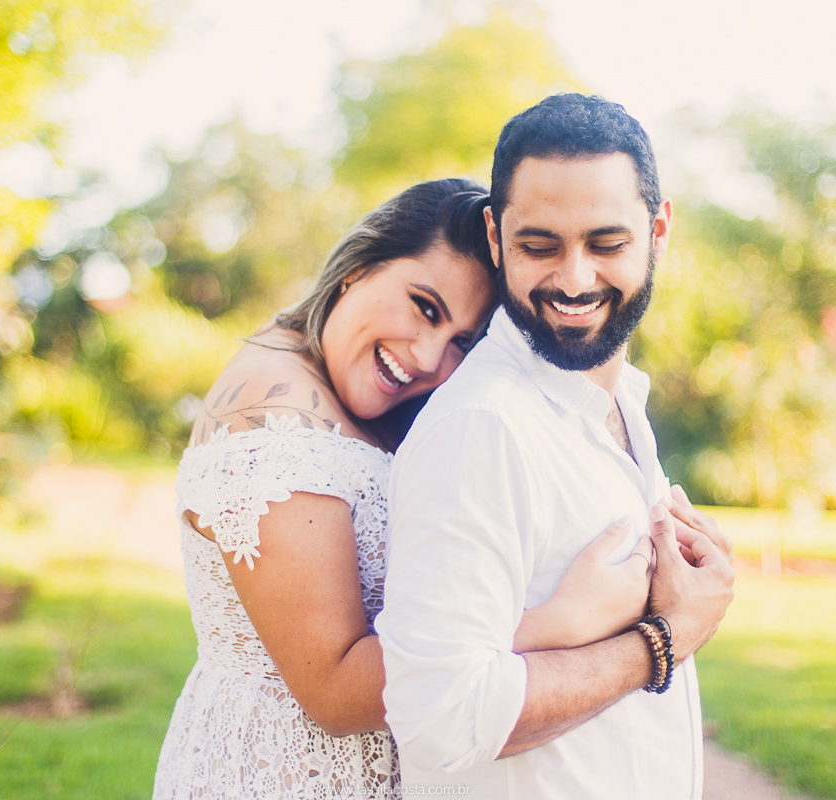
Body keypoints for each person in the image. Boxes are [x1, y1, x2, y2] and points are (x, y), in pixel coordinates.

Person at [152, 177, 658, 799]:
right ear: (358, 268)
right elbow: (335, 691)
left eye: (461, 344)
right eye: (424, 306)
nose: (426, 356)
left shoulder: (363, 405)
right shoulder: (273, 411)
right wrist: (563, 620)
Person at [376, 94, 737, 798]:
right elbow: (439, 719)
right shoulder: (482, 428)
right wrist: (662, 642)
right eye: (540, 246)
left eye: (607, 244)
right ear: (494, 236)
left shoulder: (620, 400)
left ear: (658, 230)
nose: (574, 280)